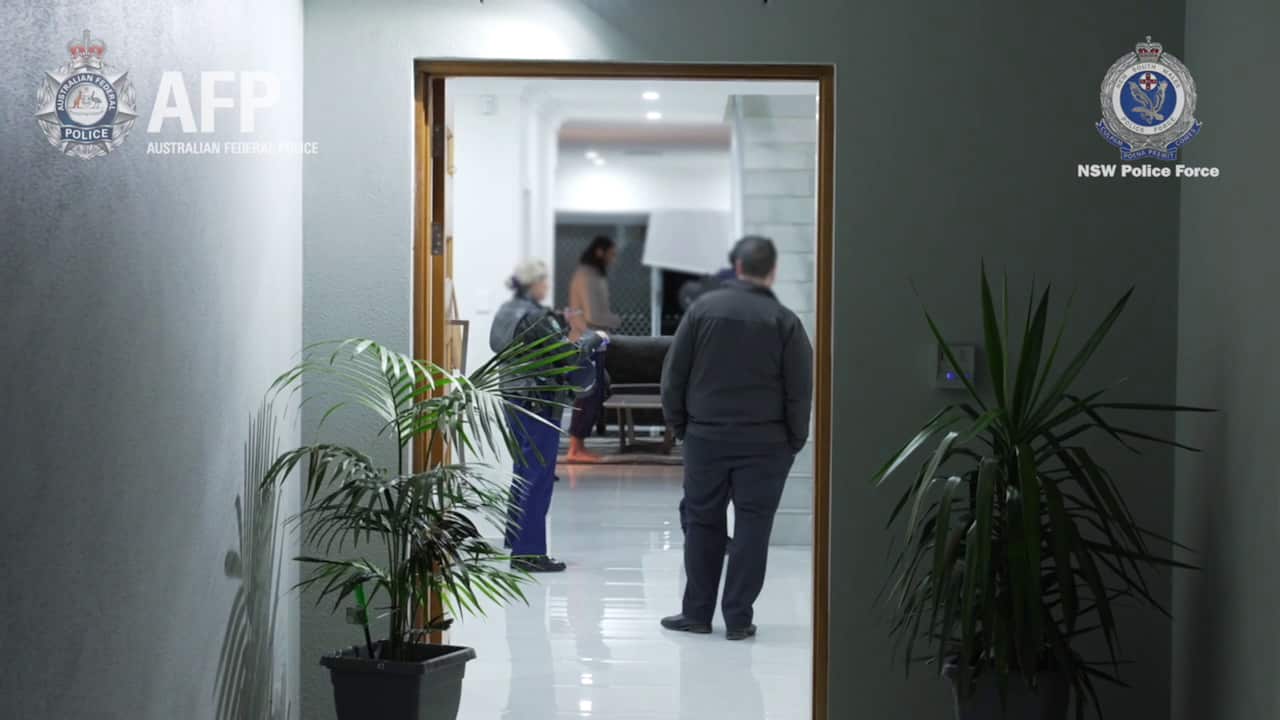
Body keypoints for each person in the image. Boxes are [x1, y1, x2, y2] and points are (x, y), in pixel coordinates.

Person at [659, 236, 813, 640]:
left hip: (705, 438)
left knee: (702, 521)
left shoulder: (701, 311)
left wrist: (682, 428)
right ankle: (739, 619)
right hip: (766, 444)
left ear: (737, 267)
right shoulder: (785, 321)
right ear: (771, 271)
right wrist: (794, 440)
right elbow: (799, 390)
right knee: (753, 528)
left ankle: (696, 613)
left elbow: (673, 377)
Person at [490, 259, 608, 573]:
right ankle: (529, 553)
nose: (547, 287)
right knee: (537, 477)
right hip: (539, 402)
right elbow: (565, 355)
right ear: (535, 283)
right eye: (544, 281)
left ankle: (517, 542)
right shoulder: (534, 315)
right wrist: (593, 339)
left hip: (514, 396)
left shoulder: (506, 311)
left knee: (522, 472)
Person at [565, 235, 621, 463]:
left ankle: (579, 446)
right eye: (611, 253)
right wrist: (616, 320)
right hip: (587, 342)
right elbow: (594, 315)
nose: (613, 258)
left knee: (593, 393)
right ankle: (575, 448)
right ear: (600, 252)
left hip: (593, 340)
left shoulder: (591, 274)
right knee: (587, 394)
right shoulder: (588, 276)